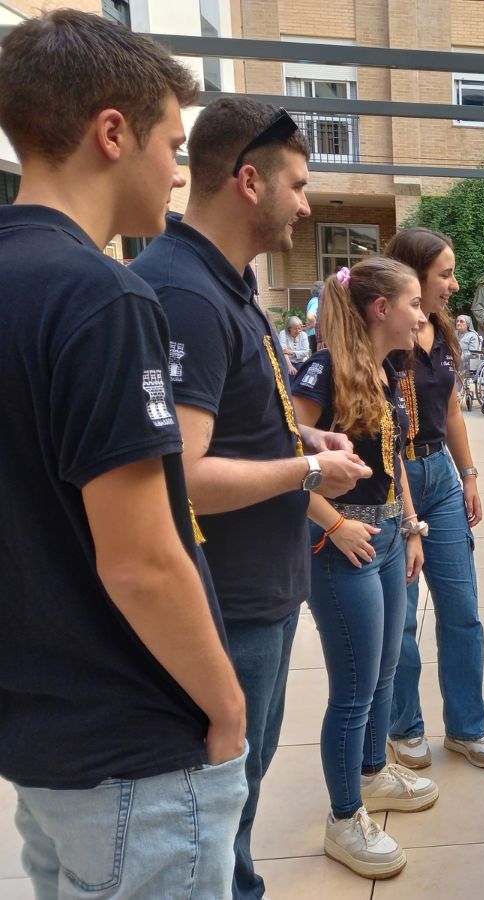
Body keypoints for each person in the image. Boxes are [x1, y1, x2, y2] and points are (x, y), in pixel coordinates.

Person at [0, 11, 248, 897]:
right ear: (113, 132)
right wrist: (226, 709)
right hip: (135, 751)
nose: (179, 174)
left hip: (40, 739)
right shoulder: (104, 297)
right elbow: (143, 560)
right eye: (173, 146)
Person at [132, 96, 372, 900]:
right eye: (297, 185)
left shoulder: (222, 285)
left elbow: (229, 428)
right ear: (247, 181)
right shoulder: (190, 297)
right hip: (225, 604)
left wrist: (305, 441)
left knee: (236, 797)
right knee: (216, 805)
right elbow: (184, 474)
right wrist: (308, 475)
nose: (306, 204)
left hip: (255, 593)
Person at [292, 258, 435, 879]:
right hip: (339, 543)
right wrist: (334, 522)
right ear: (382, 309)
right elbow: (282, 454)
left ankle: (373, 772)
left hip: (382, 536)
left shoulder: (387, 369)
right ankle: (344, 818)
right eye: (414, 304)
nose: (423, 314)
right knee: (353, 690)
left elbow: (393, 460)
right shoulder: (323, 369)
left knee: (382, 673)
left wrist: (407, 527)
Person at [383, 228, 484, 769]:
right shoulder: (382, 334)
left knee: (462, 610)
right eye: (444, 275)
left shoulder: (443, 331)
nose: (453, 285)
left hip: (441, 477)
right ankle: (404, 725)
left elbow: (451, 410)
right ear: (412, 275)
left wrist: (469, 474)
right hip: (393, 478)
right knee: (401, 620)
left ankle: (466, 726)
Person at [307, 279, 322, 353]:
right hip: (315, 335)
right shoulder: (316, 301)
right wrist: (315, 324)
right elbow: (311, 315)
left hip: (312, 334)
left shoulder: (313, 300)